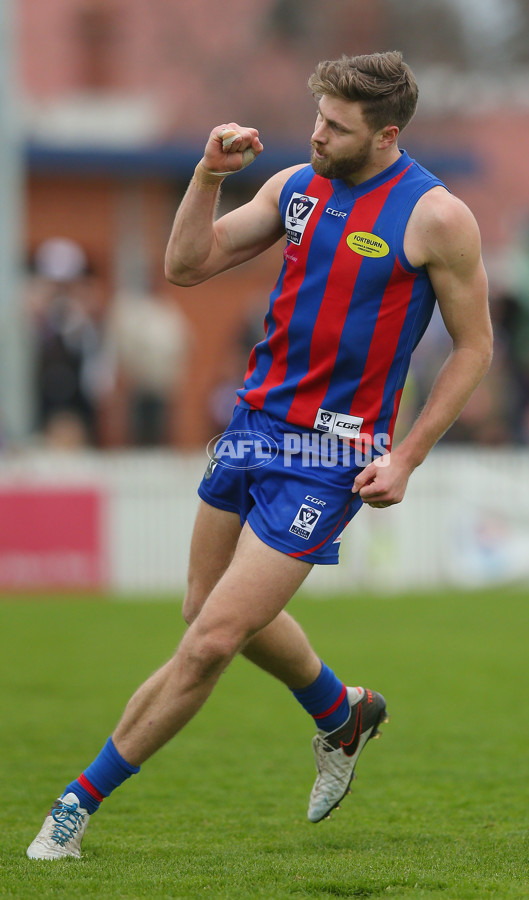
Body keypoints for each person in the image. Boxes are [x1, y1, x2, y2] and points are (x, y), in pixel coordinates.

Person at [27, 50, 493, 860]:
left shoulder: (437, 216)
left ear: (385, 135)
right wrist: (207, 174)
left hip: (332, 455)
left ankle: (75, 806)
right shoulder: (293, 187)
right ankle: (340, 714)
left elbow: (475, 348)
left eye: (336, 127)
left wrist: (409, 457)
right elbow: (186, 265)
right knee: (201, 609)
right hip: (251, 427)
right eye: (316, 116)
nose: (316, 134)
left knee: (208, 642)